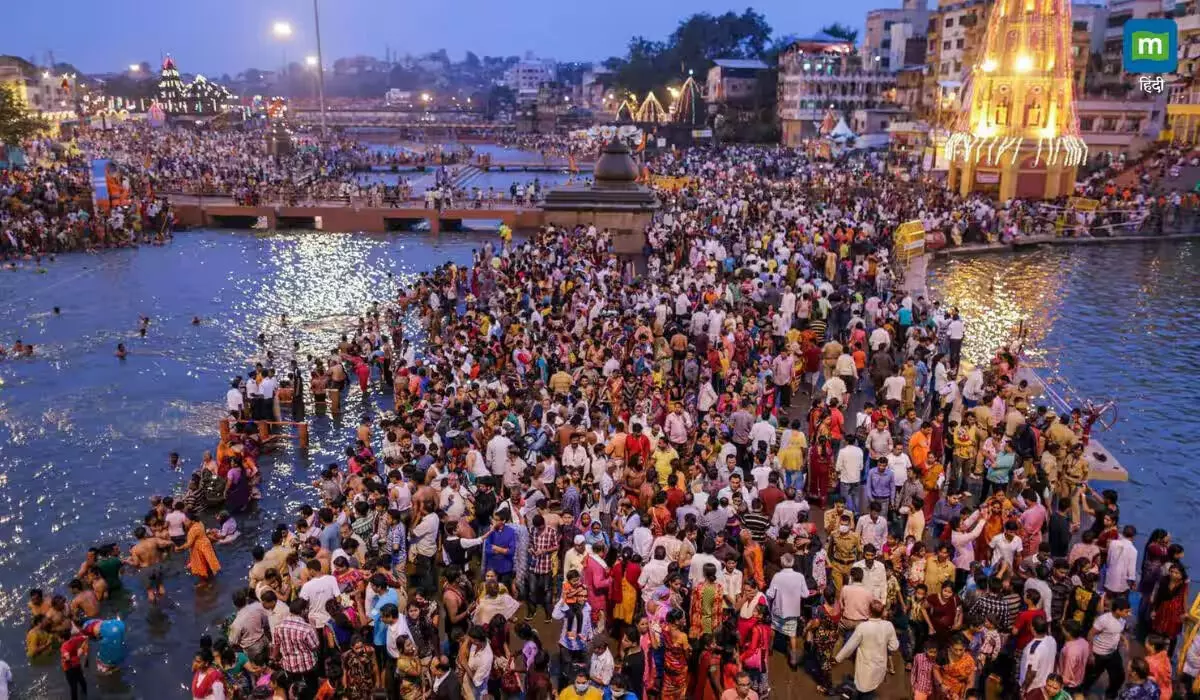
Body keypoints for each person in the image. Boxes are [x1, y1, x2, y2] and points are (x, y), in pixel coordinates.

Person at [834, 600, 899, 698]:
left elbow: (849, 647)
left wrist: (837, 659)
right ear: (882, 612)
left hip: (865, 668)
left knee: (864, 692)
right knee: (872, 689)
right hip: (880, 666)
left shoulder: (863, 627)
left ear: (869, 612)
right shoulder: (888, 625)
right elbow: (894, 646)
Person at [1080, 596, 1133, 700]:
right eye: (1126, 611)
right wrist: (1091, 654)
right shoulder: (1103, 620)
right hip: (1099, 654)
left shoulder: (1122, 620)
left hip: (1113, 653)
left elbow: (1117, 630)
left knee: (1119, 677)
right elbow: (1090, 635)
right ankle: (1083, 692)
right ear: (1118, 610)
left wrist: (1124, 639)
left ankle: (1110, 696)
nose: (1128, 614)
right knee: (1091, 677)